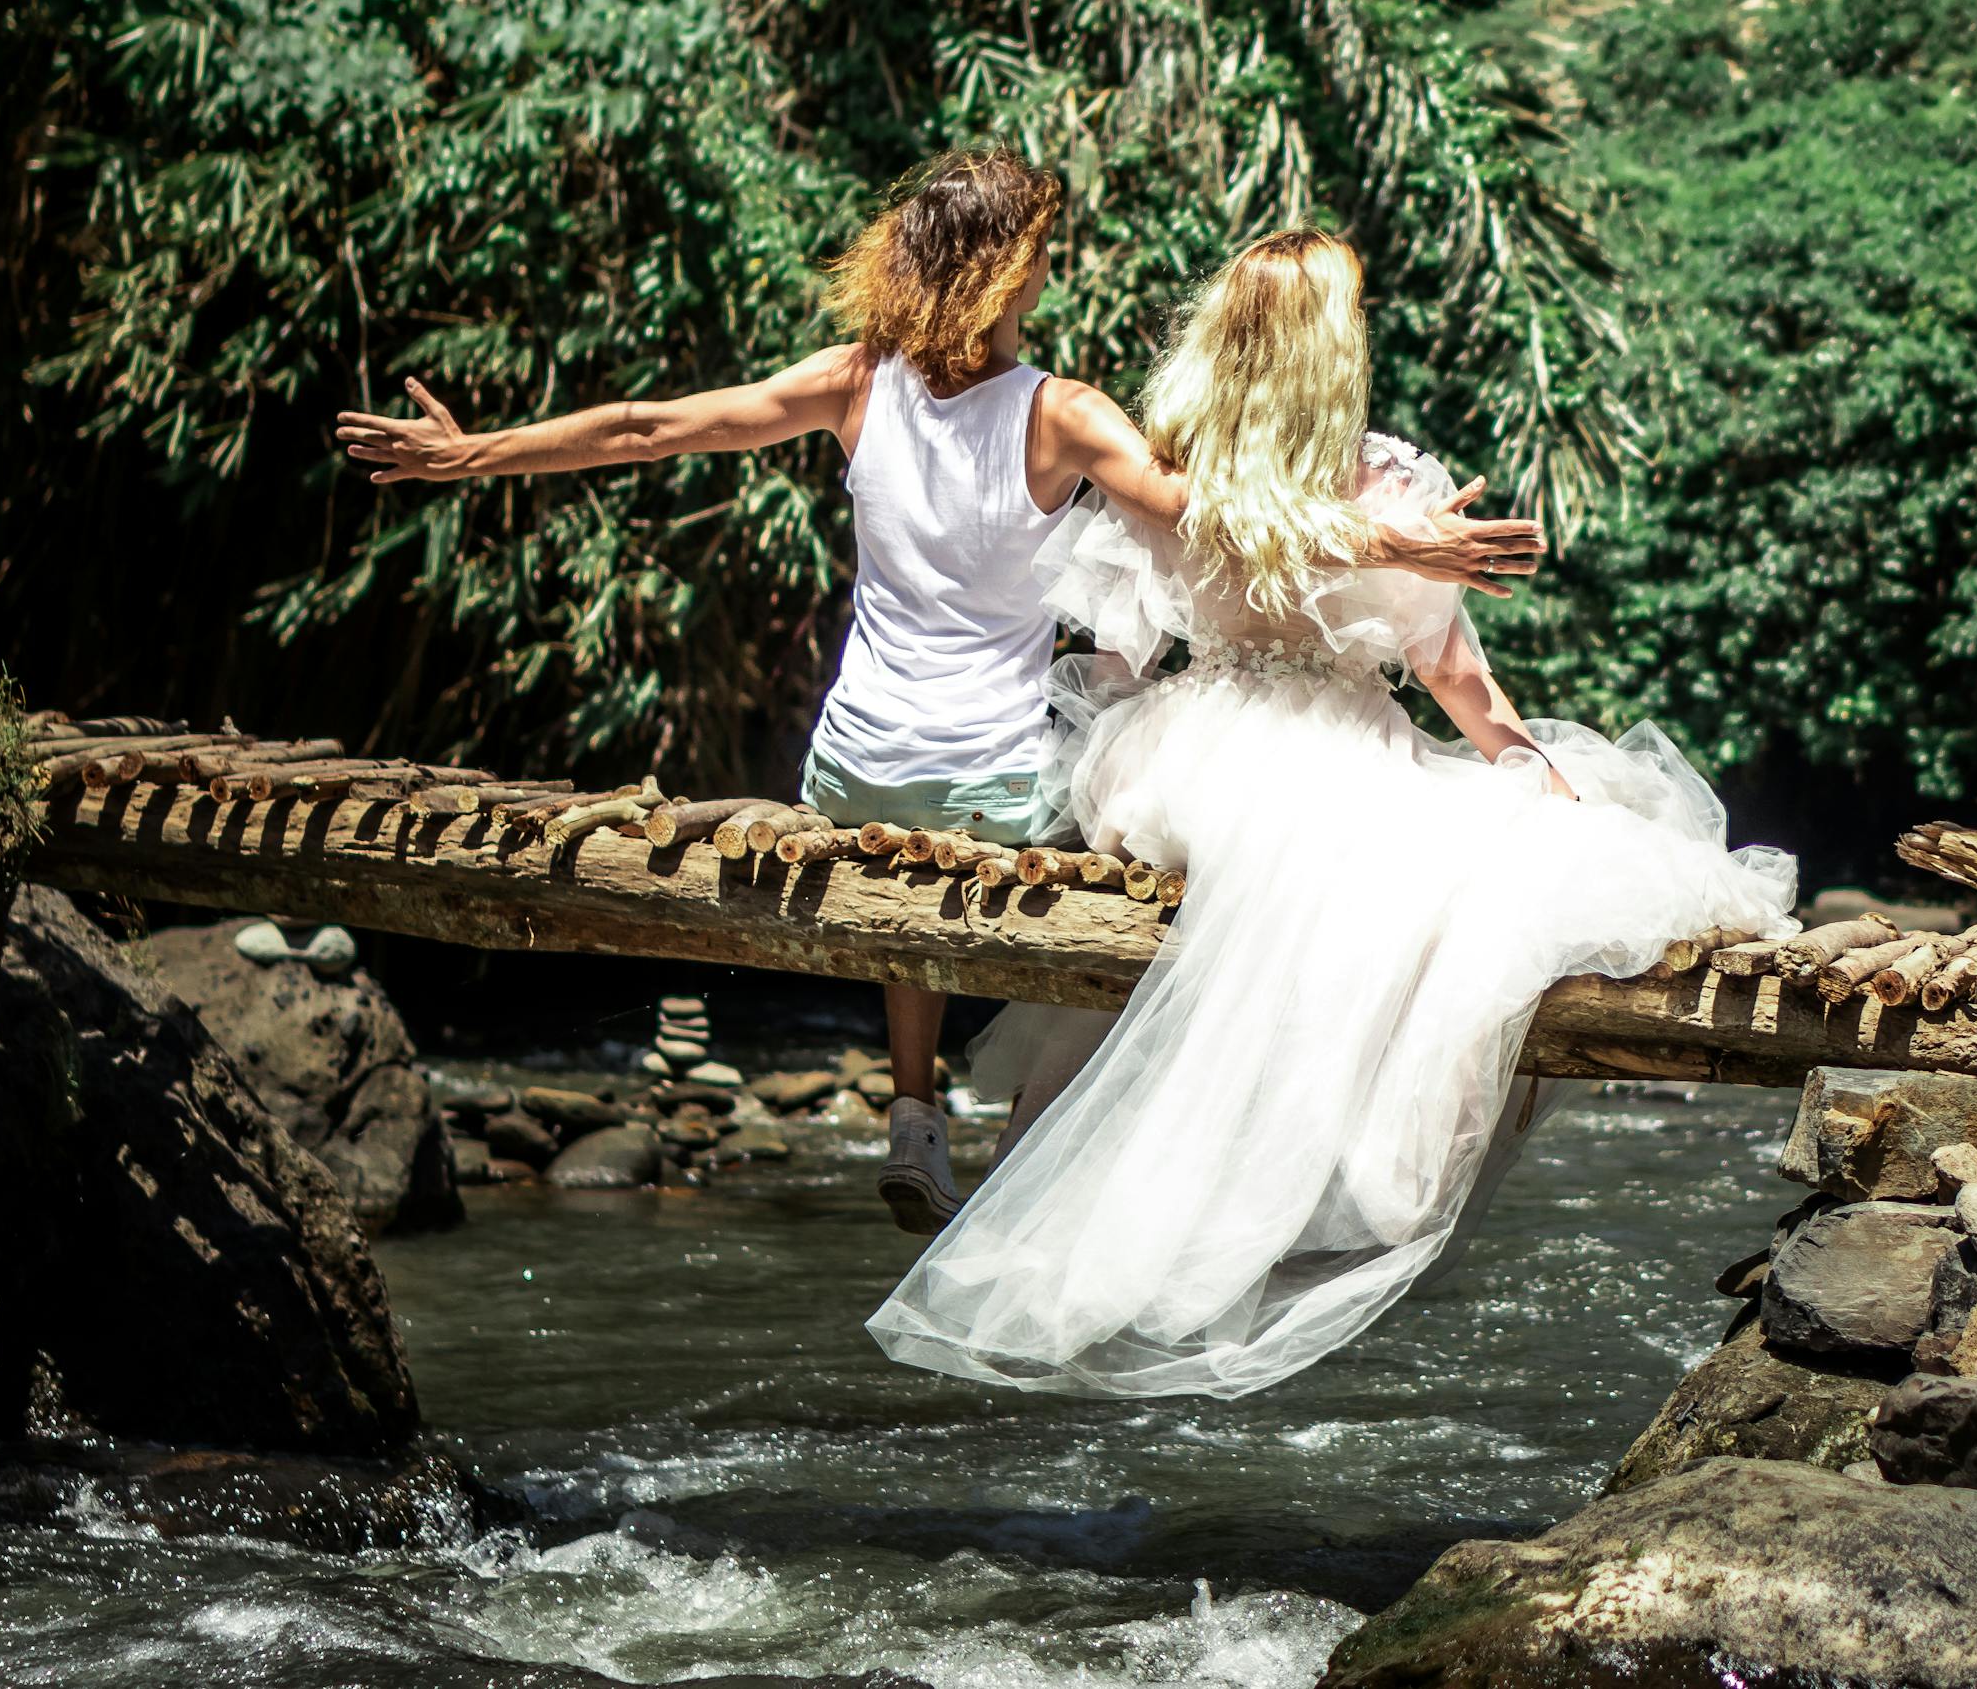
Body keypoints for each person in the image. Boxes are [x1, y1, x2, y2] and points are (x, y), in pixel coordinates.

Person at [334, 153, 1544, 1232]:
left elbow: (655, 428)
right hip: (1004, 780)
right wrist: (1406, 547)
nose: (1048, 278)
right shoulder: (1062, 413)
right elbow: (1205, 519)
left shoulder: (851, 383)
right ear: (1007, 272)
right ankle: (1117, 1127)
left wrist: (473, 453)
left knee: (895, 835)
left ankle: (913, 1106)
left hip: (851, 768)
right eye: (1040, 258)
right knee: (1086, 805)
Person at [865, 228, 1796, 1398]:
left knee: (1336, 868)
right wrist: (1527, 762)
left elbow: (1118, 654)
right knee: (1472, 869)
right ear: (1332, 346)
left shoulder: (1167, 460)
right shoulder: (1387, 482)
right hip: (1329, 738)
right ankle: (1317, 1189)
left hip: (1183, 751)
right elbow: (1456, 680)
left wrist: (1106, 773)